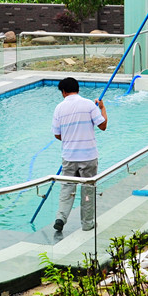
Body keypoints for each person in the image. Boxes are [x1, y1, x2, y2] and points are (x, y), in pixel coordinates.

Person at [51, 77, 108, 232]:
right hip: (88, 157)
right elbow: (102, 125)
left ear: (63, 92)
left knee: (67, 189)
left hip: (69, 156)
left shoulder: (59, 108)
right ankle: (87, 223)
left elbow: (57, 134)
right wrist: (102, 108)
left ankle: (61, 218)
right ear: (78, 89)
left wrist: (70, 137)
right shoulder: (89, 105)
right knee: (87, 191)